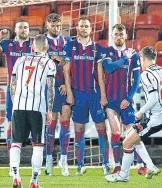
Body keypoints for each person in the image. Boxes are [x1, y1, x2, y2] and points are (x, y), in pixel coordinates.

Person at [105, 46, 162, 182]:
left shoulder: (146, 74)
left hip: (154, 118)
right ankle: (150, 166)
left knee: (126, 142)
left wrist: (139, 113)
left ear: (142, 59)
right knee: (132, 136)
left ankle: (123, 175)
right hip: (159, 116)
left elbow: (154, 98)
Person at [63, 16, 110, 176]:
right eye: (81, 26)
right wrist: (69, 93)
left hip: (95, 94)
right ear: (77, 28)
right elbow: (66, 72)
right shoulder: (70, 46)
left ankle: (105, 163)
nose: (84, 28)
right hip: (78, 94)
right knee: (79, 129)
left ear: (91, 29)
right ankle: (80, 165)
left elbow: (100, 74)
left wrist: (103, 95)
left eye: (87, 26)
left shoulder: (97, 48)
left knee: (102, 129)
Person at [0, 20, 33, 165]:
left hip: (31, 90)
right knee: (12, 125)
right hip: (13, 89)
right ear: (15, 30)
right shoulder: (8, 44)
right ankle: (13, 163)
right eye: (21, 27)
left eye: (26, 27)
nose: (23, 30)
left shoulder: (34, 44)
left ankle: (41, 160)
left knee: (32, 124)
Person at [9, 34, 56, 188]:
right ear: (47, 47)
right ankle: (34, 181)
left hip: (18, 107)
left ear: (32, 46)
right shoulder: (49, 63)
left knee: (16, 143)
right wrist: (49, 110)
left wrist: (15, 102)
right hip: (37, 108)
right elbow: (50, 89)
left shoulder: (20, 60)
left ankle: (16, 177)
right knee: (37, 146)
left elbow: (12, 86)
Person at [102, 24, 146, 174]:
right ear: (112, 36)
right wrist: (123, 59)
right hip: (111, 100)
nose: (119, 37)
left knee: (132, 132)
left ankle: (140, 164)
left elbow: (137, 79)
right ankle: (117, 165)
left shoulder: (133, 55)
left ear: (126, 36)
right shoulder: (107, 51)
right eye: (116, 34)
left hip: (126, 100)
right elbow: (108, 68)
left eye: (121, 35)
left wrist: (128, 98)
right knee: (114, 131)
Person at [44, 13, 71, 177]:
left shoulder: (67, 41)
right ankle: (48, 161)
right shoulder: (41, 41)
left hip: (64, 87)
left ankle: (64, 160)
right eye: (53, 25)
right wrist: (53, 57)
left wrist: (66, 85)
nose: (56, 28)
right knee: (50, 125)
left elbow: (69, 62)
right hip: (49, 88)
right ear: (47, 25)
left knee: (65, 123)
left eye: (58, 25)